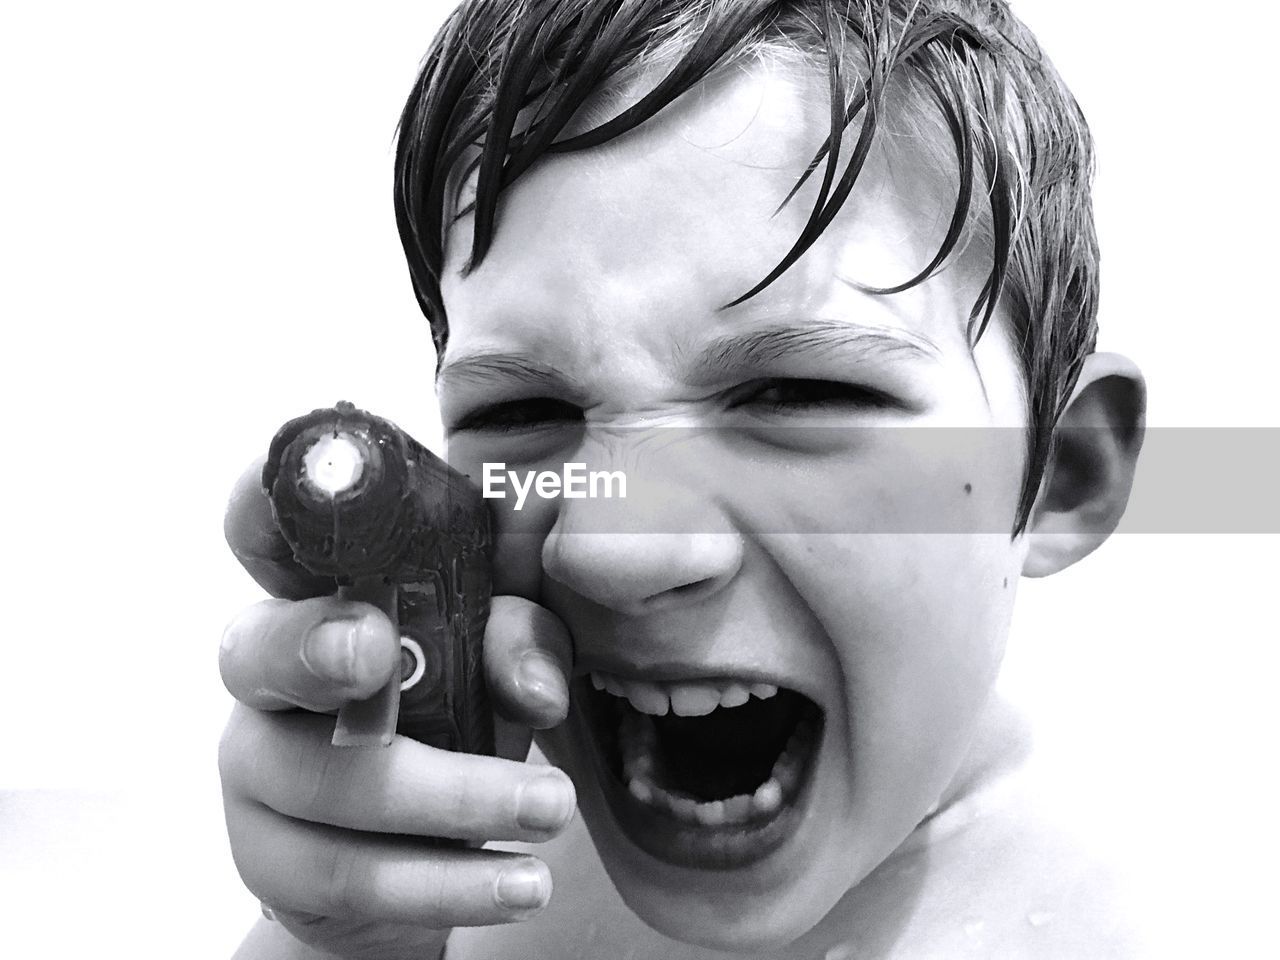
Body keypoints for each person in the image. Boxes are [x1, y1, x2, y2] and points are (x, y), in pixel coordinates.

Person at [218, 1, 1146, 956]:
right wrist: (348, 941)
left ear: (1059, 473)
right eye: (521, 414)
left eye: (798, 394)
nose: (615, 549)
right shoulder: (477, 879)